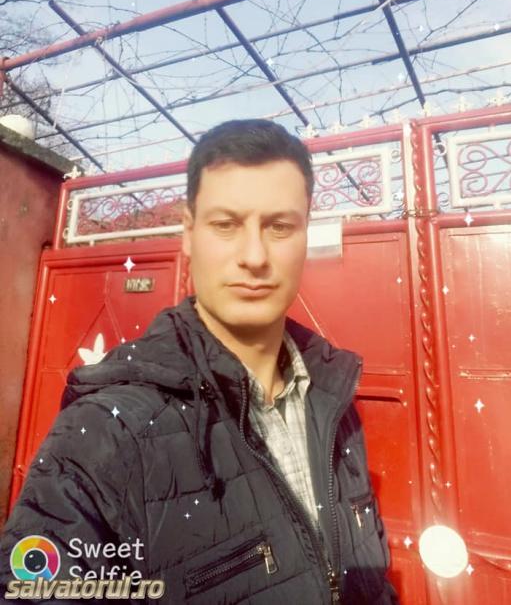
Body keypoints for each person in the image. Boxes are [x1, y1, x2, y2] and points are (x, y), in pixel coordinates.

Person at [0, 119, 398, 604]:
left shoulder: (333, 400)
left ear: (305, 235)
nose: (254, 256)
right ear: (188, 234)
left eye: (279, 226)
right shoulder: (108, 434)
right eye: (225, 225)